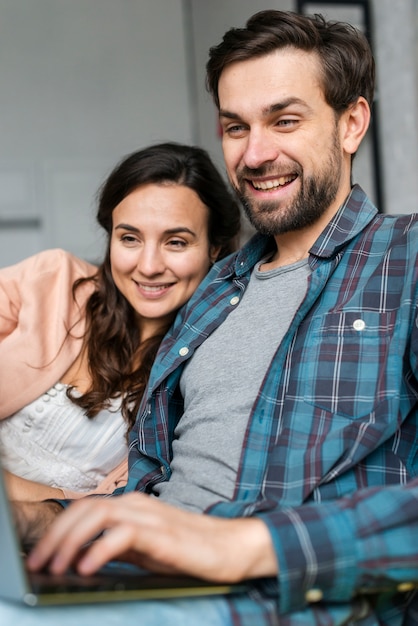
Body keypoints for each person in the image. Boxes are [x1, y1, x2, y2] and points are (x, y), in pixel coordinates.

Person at [14, 10, 418, 626]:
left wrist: (244, 545)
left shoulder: (405, 258)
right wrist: (37, 519)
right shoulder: (213, 292)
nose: (255, 154)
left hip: (274, 598)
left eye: (284, 120)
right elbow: (154, 497)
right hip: (132, 577)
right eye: (235, 127)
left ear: (351, 123)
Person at [0, 141, 240, 502]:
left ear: (215, 248)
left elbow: (123, 506)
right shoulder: (53, 279)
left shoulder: (204, 372)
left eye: (175, 242)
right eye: (129, 238)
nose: (148, 266)